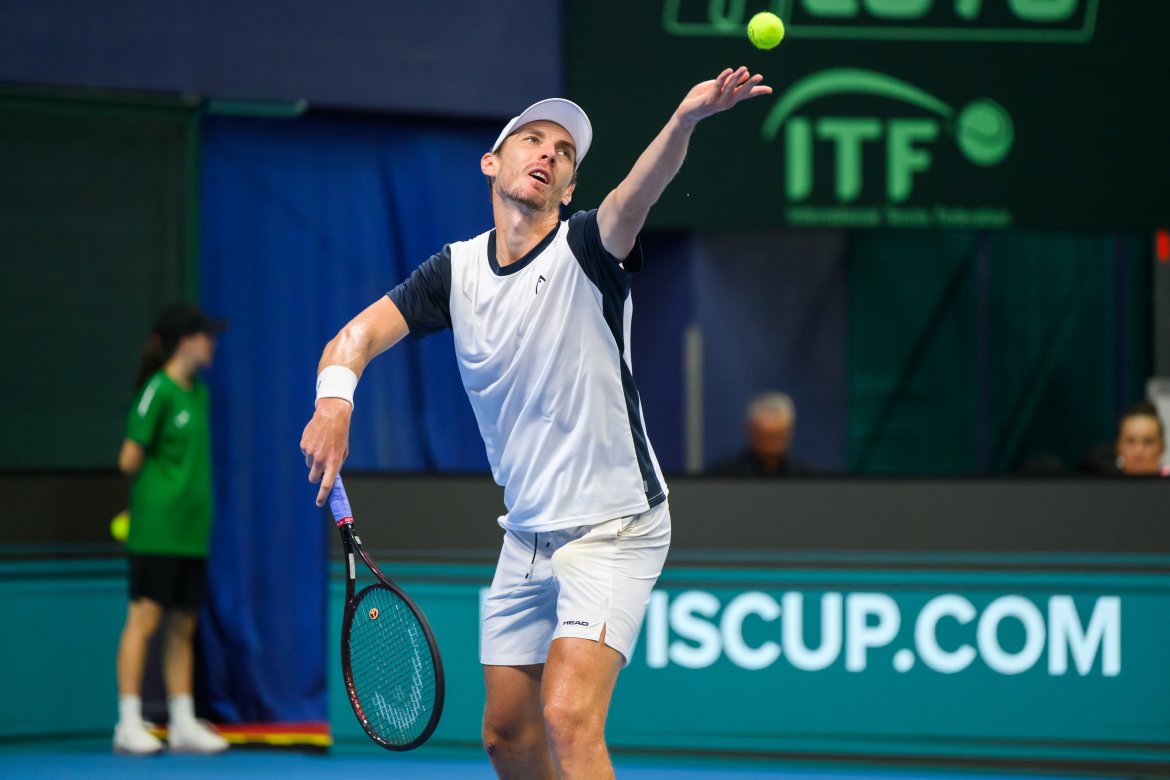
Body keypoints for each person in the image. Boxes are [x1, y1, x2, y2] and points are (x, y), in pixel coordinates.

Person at [300, 67, 770, 779]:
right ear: (494, 163)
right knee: (507, 736)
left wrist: (683, 123)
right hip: (526, 531)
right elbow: (353, 339)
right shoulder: (452, 274)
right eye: (532, 139)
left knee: (568, 717)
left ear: (570, 188)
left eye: (564, 153)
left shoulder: (590, 249)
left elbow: (635, 196)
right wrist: (336, 401)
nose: (547, 153)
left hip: (616, 526)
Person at [112, 304, 229, 755]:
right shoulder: (156, 391)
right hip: (155, 531)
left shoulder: (198, 392)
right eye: (207, 335)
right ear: (187, 341)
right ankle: (127, 722)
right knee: (144, 620)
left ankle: (182, 722)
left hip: (191, 532)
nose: (212, 343)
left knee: (184, 624)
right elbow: (128, 460)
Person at [708, 391, 812, 477]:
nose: (772, 445)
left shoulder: (807, 478)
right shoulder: (724, 477)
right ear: (750, 430)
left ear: (789, 431)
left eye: (778, 436)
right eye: (766, 437)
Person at [1114, 401, 1168, 476]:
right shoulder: (1101, 484)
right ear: (1118, 447)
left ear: (1162, 448)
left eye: (1148, 442)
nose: (1139, 450)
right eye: (1130, 441)